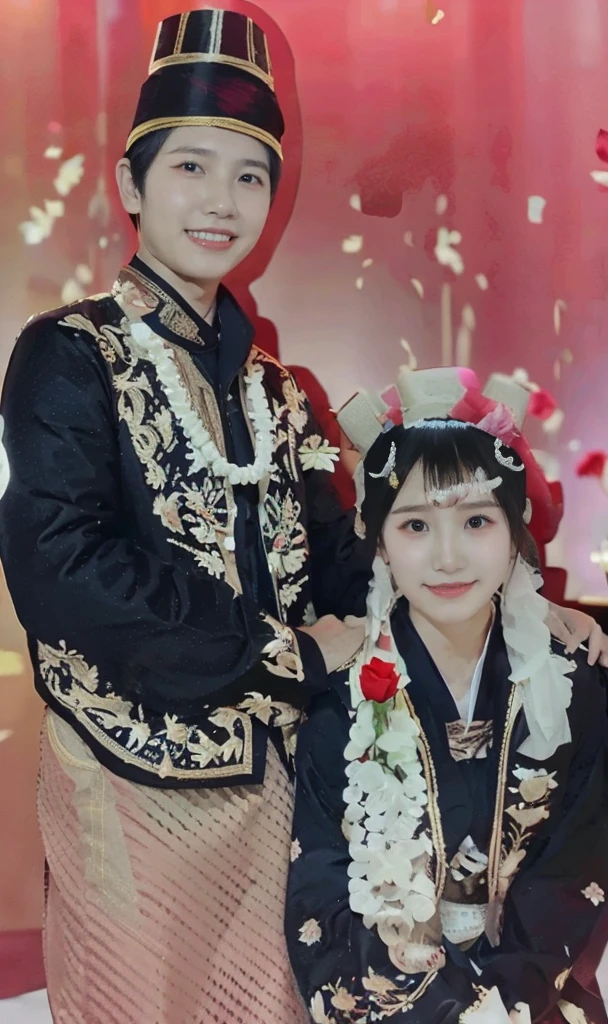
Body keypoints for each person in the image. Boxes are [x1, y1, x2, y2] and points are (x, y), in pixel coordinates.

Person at [0, 8, 370, 1022]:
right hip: (127, 792)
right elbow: (63, 565)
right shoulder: (69, 355)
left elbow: (343, 568)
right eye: (190, 169)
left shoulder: (281, 393)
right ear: (131, 186)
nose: (221, 201)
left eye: (249, 175)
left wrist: (493, 601)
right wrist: (289, 653)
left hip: (279, 793)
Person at [286, 368, 608, 1024]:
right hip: (388, 1008)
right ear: (376, 538)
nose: (450, 557)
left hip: (532, 999)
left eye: (477, 520)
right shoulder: (342, 697)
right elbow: (321, 885)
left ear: (516, 527)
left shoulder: (570, 684)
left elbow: (572, 873)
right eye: (415, 527)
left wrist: (499, 1003)